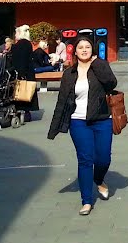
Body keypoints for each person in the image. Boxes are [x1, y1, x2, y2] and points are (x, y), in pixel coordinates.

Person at [47, 34, 118, 215]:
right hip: (78, 122)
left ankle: (99, 179)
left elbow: (111, 83)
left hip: (102, 119)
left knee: (103, 158)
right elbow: (62, 101)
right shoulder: (69, 74)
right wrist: (54, 127)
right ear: (75, 51)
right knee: (85, 159)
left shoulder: (100, 66)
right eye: (80, 47)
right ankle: (86, 201)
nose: (84, 50)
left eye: (87, 47)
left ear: (92, 49)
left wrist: (96, 63)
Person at [9, 25, 40, 114]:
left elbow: (21, 60)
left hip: (22, 73)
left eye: (16, 33)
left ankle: (23, 112)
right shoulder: (27, 44)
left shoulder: (21, 44)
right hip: (28, 72)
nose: (15, 35)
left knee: (22, 93)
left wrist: (21, 74)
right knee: (28, 93)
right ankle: (26, 112)